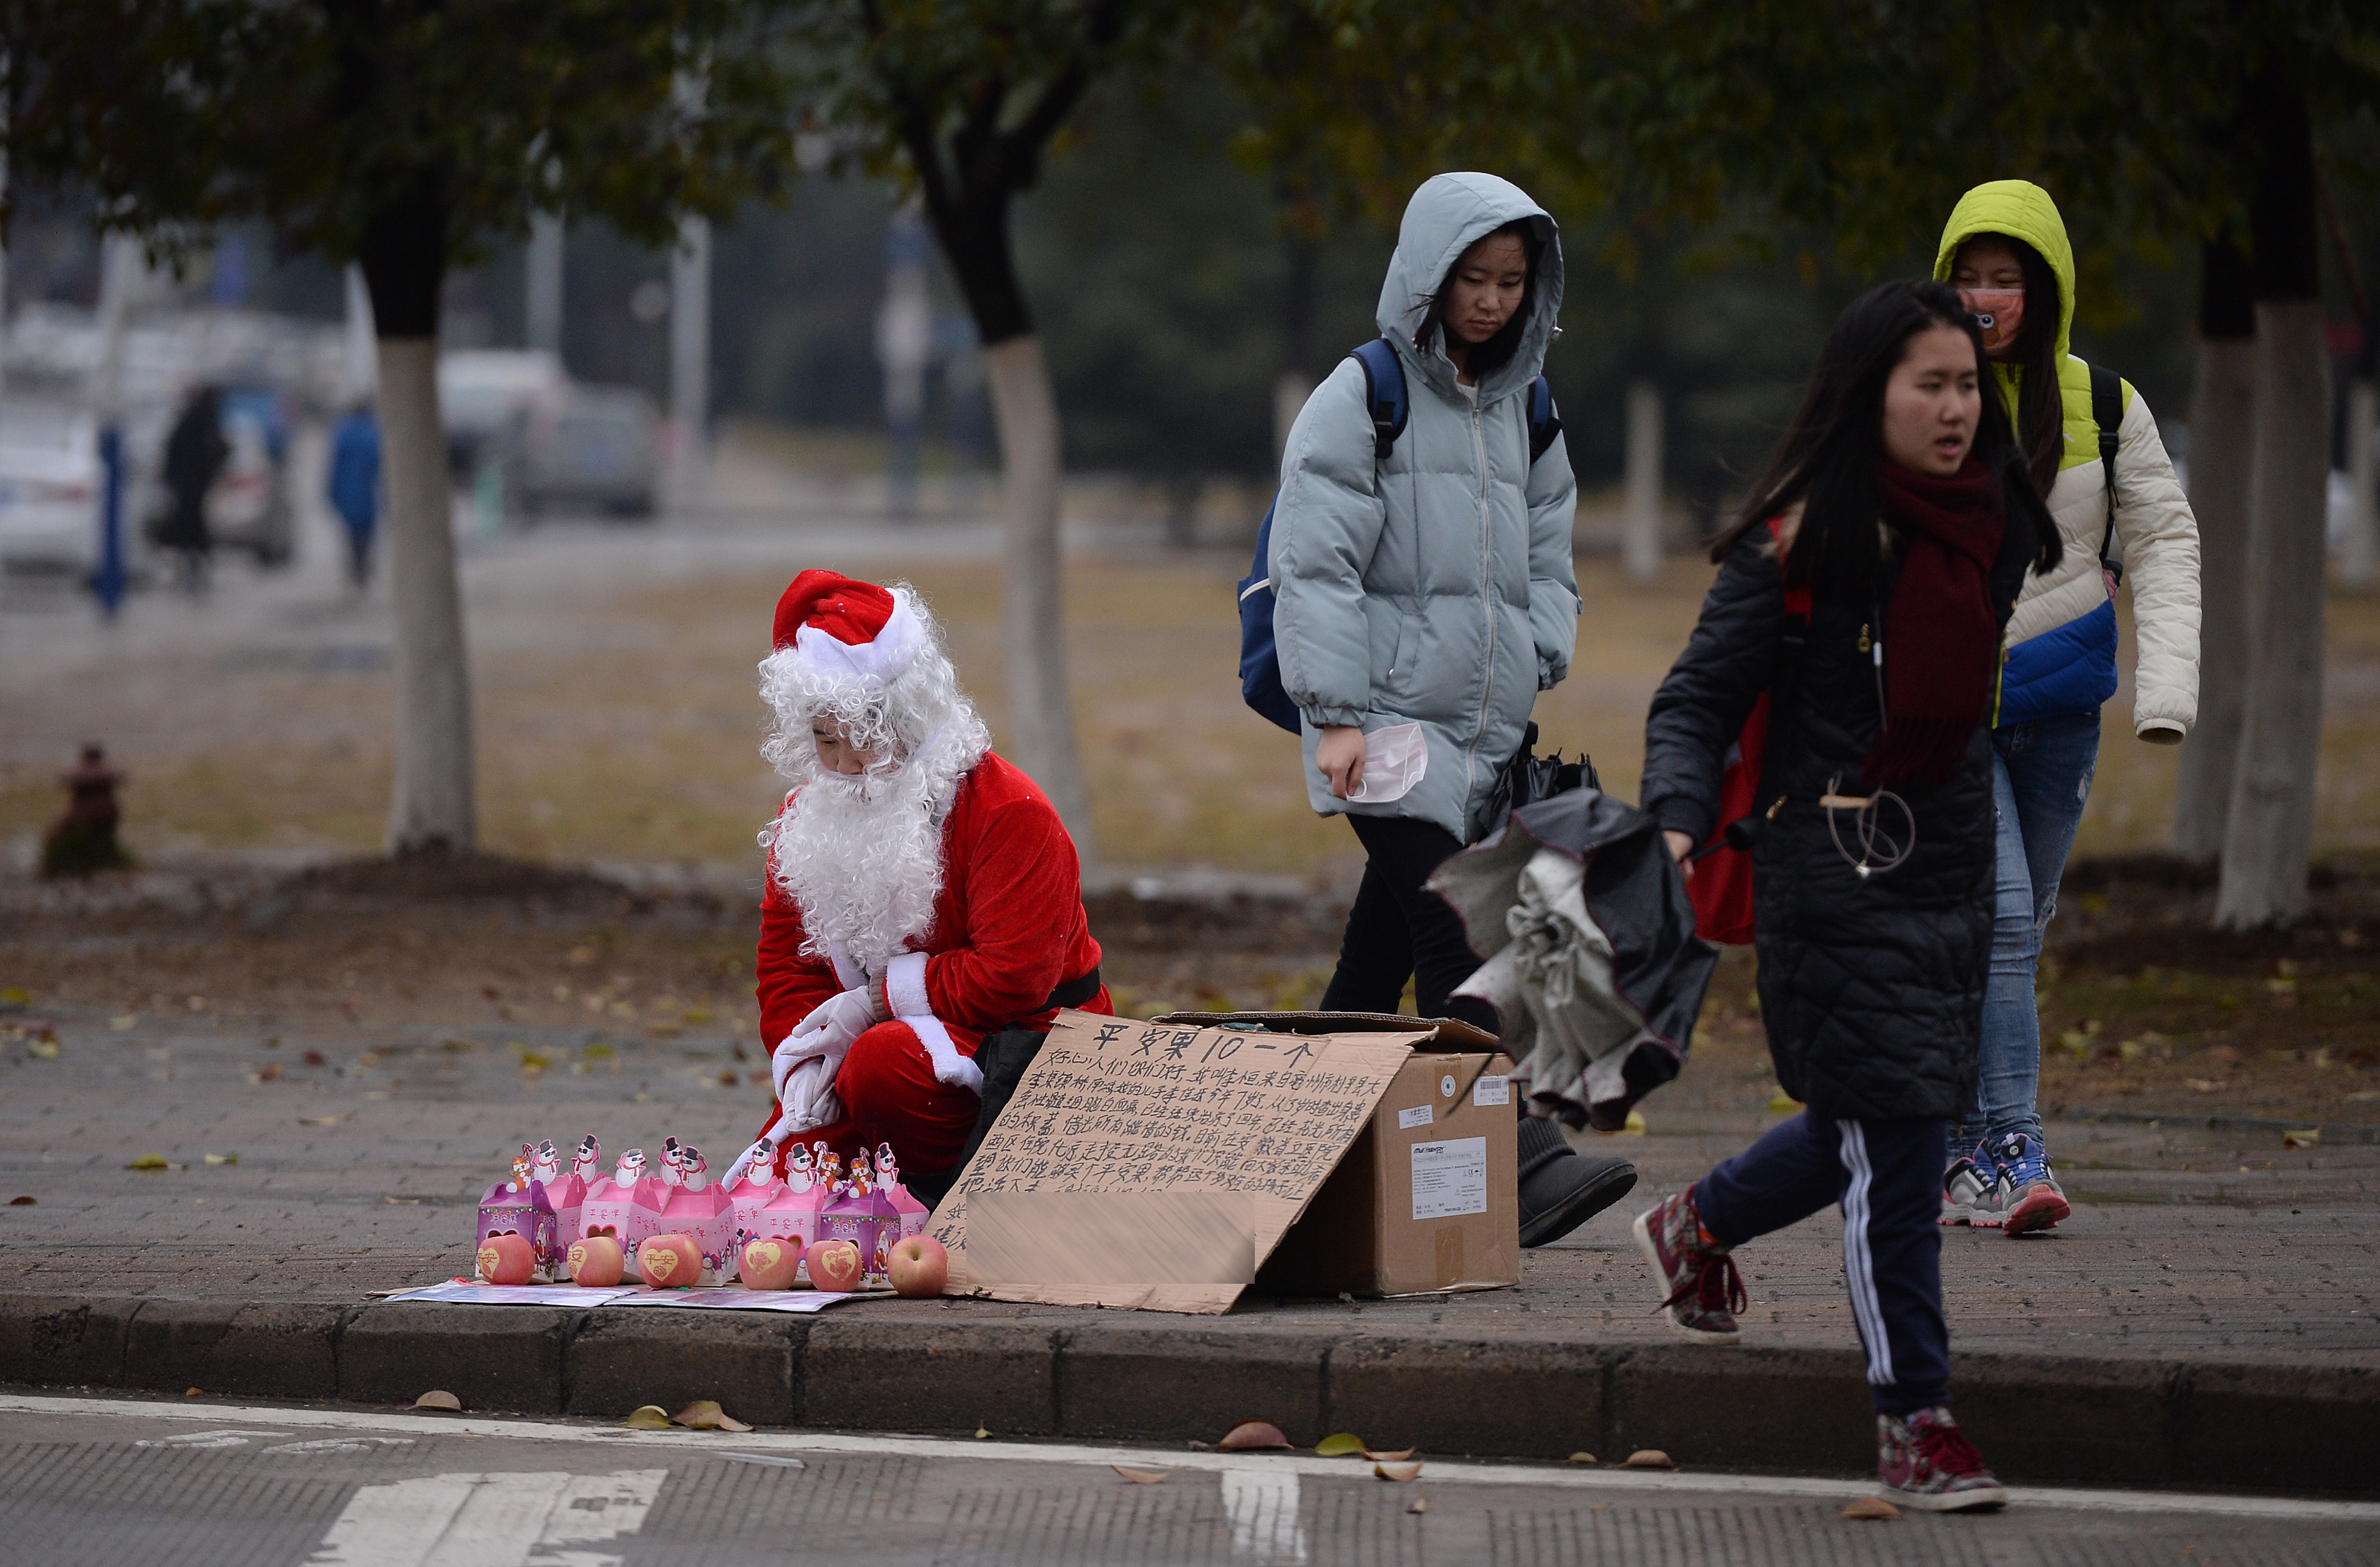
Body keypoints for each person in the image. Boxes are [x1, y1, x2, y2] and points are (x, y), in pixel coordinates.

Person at [1635, 279, 2061, 1511]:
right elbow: (1693, 701)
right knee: (1900, 1147)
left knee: (1874, 1129)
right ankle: (1914, 1419)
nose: (1951, 407)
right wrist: (1670, 823)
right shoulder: (1798, 540)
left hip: (1948, 864)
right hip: (1829, 874)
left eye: (1965, 384)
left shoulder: (1991, 518)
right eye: (1924, 384)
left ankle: (1696, 1223)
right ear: (1865, 393)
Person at [1268, 170, 1634, 1246]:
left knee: (1375, 964)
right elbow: (1316, 562)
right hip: (1381, 728)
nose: (1490, 300)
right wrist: (1335, 713)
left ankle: (1285, 1154)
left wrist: (1542, 645)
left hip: (1482, 738)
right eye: (1472, 277)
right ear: (1429, 276)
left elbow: (1551, 536)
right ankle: (1518, 1157)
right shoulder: (1363, 392)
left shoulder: (1528, 402)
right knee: (1463, 929)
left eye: (1512, 281)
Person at [1934, 182, 2200, 1234]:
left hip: (2064, 706)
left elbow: (2166, 541)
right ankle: (2013, 1145)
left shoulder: (2103, 402)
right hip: (1945, 715)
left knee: (2014, 924)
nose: (1987, 295)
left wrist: (2166, 690)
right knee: (2000, 919)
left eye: (2008, 278)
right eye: (1971, 274)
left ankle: (1956, 1144)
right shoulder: (1921, 387)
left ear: (2047, 291)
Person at [741, 570, 1111, 1192]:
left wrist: (877, 1001)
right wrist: (803, 1054)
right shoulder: (807, 819)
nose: (845, 764)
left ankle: (942, 1191)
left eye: (865, 737)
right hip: (868, 1052)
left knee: (881, 1066)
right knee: (779, 1179)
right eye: (826, 740)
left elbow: (1012, 976)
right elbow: (787, 962)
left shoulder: (1006, 810)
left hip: (1024, 1044)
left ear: (911, 719)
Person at [160, 384, 228, 592]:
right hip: (193, 484)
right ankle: (192, 572)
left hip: (189, 484)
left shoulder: (194, 420)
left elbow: (173, 449)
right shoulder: (205, 421)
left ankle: (189, 572)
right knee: (193, 527)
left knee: (189, 526)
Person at [327, 403, 383, 592]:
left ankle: (354, 573)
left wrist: (331, 494)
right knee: (366, 537)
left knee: (351, 536)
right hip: (367, 494)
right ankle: (363, 573)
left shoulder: (343, 434)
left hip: (347, 493)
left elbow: (334, 469)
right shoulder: (372, 434)